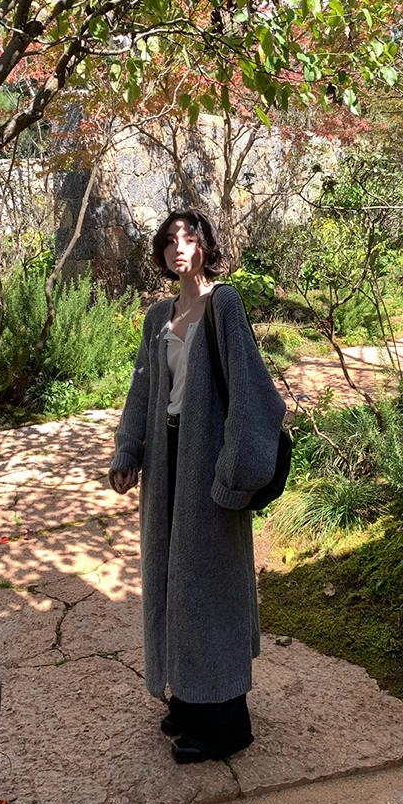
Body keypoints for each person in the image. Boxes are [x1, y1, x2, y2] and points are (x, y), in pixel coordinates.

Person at [108, 208, 287, 764]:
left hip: (208, 465)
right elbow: (143, 391)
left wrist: (234, 475)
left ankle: (224, 724)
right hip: (166, 465)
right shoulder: (157, 316)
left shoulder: (224, 305)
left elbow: (254, 397)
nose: (179, 247)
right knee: (171, 580)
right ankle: (188, 700)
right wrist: (128, 449)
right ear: (161, 254)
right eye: (169, 240)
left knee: (209, 589)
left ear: (206, 246)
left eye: (189, 237)